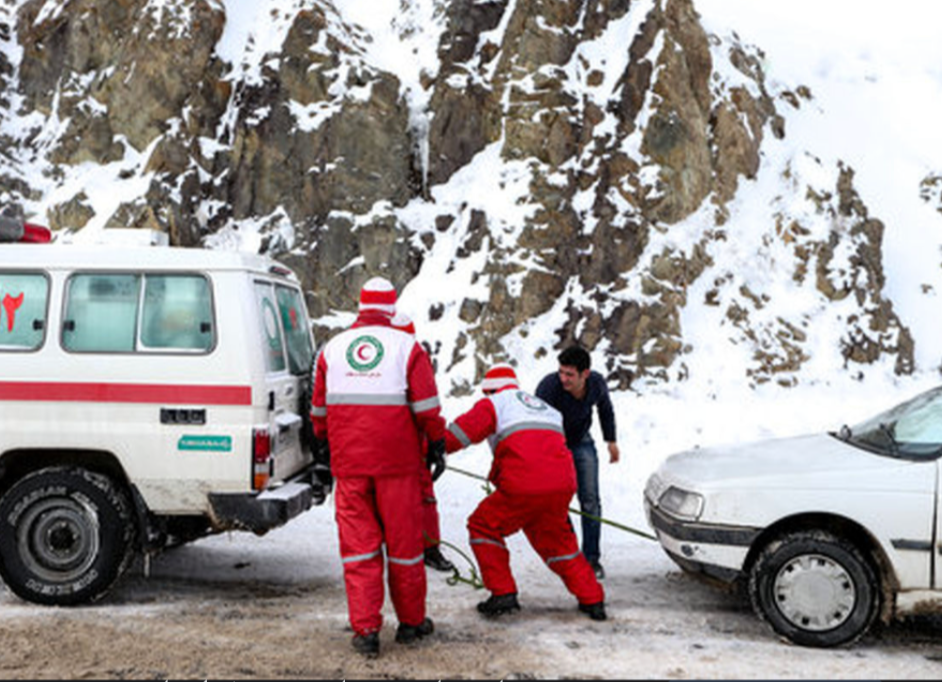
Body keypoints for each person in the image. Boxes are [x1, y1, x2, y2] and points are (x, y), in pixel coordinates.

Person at [310, 277, 447, 658]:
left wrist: (328, 443)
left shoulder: (332, 349)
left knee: (359, 548)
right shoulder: (408, 347)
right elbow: (426, 408)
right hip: (398, 466)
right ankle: (411, 623)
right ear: (391, 307)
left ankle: (366, 630)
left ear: (360, 305)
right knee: (404, 546)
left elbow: (318, 412)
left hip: (350, 465)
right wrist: (436, 443)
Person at [444, 363, 607, 621]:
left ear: (491, 390)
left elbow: (459, 435)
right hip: (560, 485)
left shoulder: (495, 403)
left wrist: (428, 448)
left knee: (483, 525)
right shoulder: (547, 409)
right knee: (559, 543)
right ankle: (593, 599)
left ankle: (503, 593)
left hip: (523, 485)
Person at [536, 346, 619, 580]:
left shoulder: (597, 384)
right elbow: (535, 422)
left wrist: (611, 441)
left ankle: (591, 558)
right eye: (561, 372)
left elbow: (606, 409)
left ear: (585, 374)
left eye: (569, 374)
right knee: (559, 501)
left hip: (582, 441)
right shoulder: (548, 387)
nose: (563, 378)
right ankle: (571, 556)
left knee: (590, 500)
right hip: (554, 445)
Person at [391, 311, 456, 573]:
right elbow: (428, 407)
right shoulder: (414, 357)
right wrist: (437, 443)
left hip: (378, 443)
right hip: (408, 445)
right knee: (423, 496)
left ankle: (383, 550)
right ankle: (426, 549)